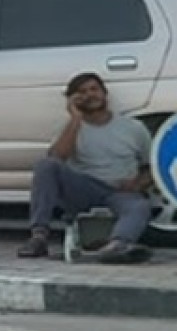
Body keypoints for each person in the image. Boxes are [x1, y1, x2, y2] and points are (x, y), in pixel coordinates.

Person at [18, 72, 156, 260]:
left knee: (139, 206)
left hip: (120, 192)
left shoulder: (134, 128)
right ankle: (39, 237)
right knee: (45, 165)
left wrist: (138, 184)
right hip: (84, 190)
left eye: (94, 89)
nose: (90, 95)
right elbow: (56, 159)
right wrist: (75, 118)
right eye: (82, 92)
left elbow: (151, 167)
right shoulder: (70, 128)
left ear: (104, 94)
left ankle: (117, 246)